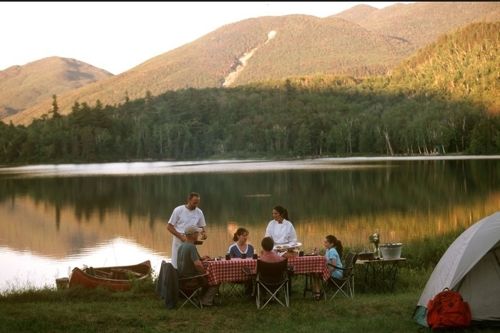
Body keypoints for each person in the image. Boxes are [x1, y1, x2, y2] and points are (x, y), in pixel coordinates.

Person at [177, 226, 219, 306]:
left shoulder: (182, 246)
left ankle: (202, 298)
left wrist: (202, 258)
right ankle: (206, 301)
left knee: (208, 278)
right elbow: (198, 265)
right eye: (197, 233)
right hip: (191, 279)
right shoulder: (191, 247)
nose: (198, 235)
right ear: (193, 235)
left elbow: (192, 259)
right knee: (215, 279)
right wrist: (204, 274)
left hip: (181, 279)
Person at [167, 192, 207, 269]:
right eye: (194, 203)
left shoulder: (199, 212)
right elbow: (169, 227)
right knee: (176, 263)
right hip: (179, 240)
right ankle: (175, 278)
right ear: (188, 200)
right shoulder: (178, 210)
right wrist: (181, 237)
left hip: (192, 241)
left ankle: (189, 278)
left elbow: (201, 227)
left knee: (191, 263)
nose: (196, 205)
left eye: (197, 203)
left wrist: (204, 233)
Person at [311, 234, 344, 300]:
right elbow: (325, 260)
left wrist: (326, 273)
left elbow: (333, 266)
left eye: (326, 242)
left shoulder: (332, 251)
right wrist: (318, 254)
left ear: (331, 244)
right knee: (315, 273)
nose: (324, 243)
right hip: (332, 271)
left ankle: (317, 294)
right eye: (324, 242)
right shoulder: (328, 250)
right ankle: (318, 293)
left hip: (337, 273)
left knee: (316, 274)